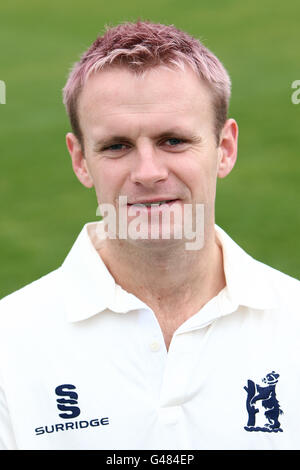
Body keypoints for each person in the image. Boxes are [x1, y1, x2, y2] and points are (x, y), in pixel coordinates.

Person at [0, 20, 299, 451]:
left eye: (173, 141)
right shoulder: (9, 345)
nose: (148, 173)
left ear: (225, 148)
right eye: (117, 146)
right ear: (80, 159)